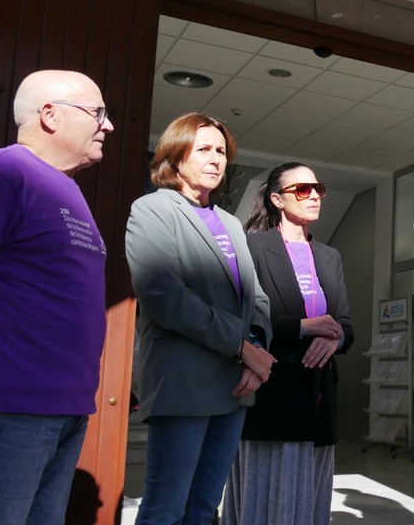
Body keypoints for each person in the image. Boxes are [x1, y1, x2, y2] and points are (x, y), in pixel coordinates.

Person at [126, 112, 275, 525]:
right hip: (183, 383)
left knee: (206, 508)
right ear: (174, 158)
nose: (217, 160)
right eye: (204, 149)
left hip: (234, 387)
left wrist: (257, 352)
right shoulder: (152, 210)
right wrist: (242, 346)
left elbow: (256, 299)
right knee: (166, 508)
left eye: (222, 151)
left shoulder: (229, 222)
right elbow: (164, 297)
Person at [0, 70, 113, 524]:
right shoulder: (4, 172)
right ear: (49, 116)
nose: (108, 124)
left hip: (66, 408)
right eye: (96, 112)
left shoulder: (69, 190)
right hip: (10, 407)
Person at [222, 162, 354, 524]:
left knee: (308, 503)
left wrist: (337, 337)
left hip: (318, 394)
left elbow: (344, 322)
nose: (313, 195)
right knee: (265, 503)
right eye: (302, 189)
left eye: (318, 189)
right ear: (277, 199)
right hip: (272, 392)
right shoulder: (252, 247)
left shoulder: (330, 256)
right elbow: (242, 317)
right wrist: (303, 327)